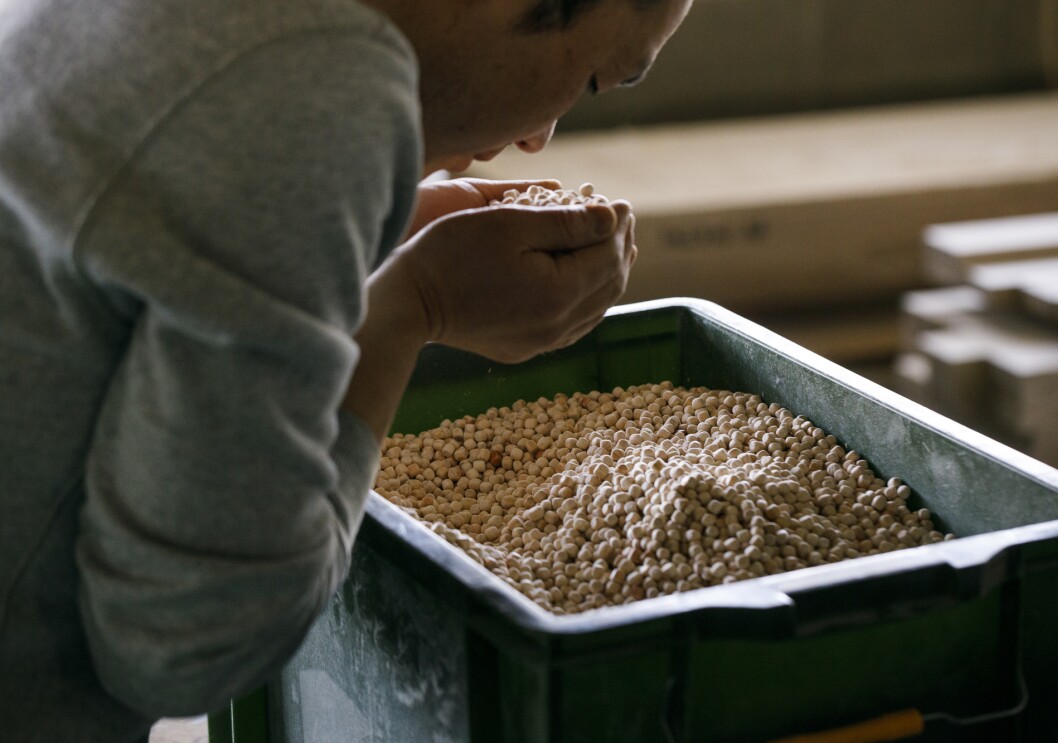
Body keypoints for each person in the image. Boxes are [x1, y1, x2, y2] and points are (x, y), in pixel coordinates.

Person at [0, 0, 692, 738]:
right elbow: (192, 644)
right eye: (592, 80)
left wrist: (370, 223)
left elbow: (166, 226)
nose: (534, 139)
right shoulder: (317, 82)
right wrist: (410, 306)